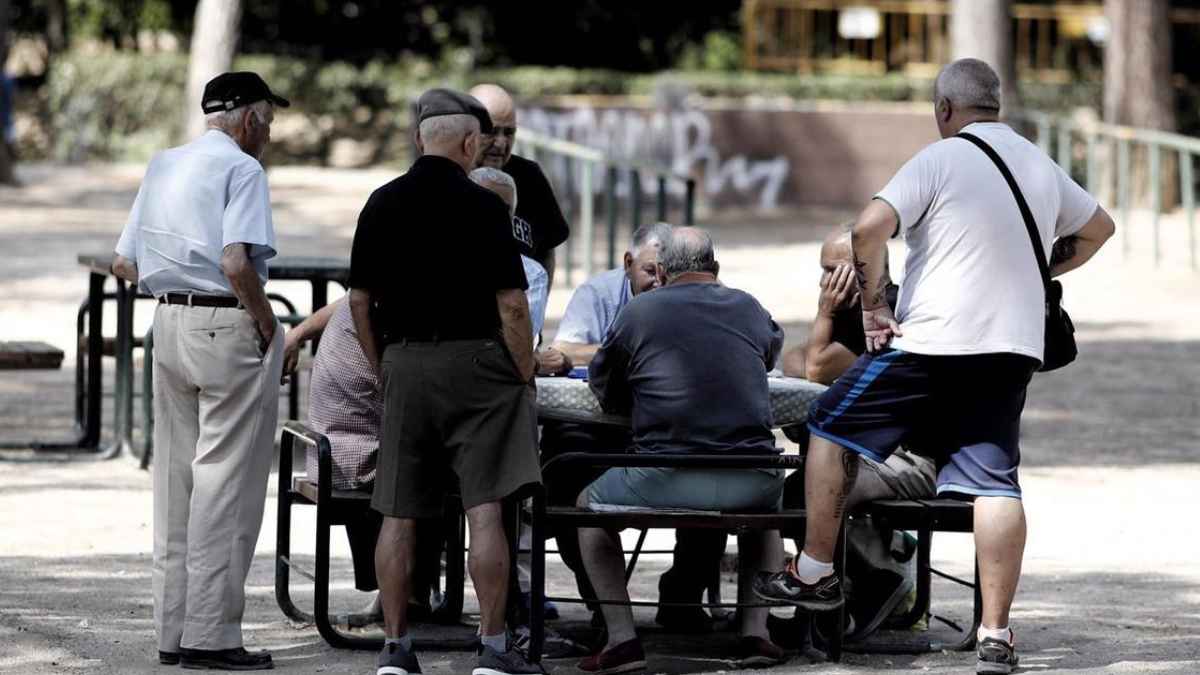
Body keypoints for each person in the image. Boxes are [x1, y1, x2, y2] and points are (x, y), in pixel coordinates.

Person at [753, 59, 1115, 675]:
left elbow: (868, 230)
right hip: (1012, 346)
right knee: (995, 483)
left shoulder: (939, 158)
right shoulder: (1037, 163)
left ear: (944, 108)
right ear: (996, 105)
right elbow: (1099, 229)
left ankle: (814, 571)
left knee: (829, 424)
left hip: (933, 342)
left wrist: (873, 307)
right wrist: (1036, 269)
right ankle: (995, 636)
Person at [348, 87, 544, 675]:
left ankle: (395, 648)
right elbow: (512, 304)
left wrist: (383, 364)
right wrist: (523, 371)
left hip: (405, 362)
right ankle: (492, 649)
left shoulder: (381, 202)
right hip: (477, 366)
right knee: (485, 509)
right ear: (469, 144)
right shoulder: (485, 208)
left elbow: (358, 301)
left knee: (398, 511)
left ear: (418, 140)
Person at [110, 71, 288, 670]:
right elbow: (236, 262)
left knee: (174, 481)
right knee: (225, 485)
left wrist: (177, 280)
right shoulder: (244, 170)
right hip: (225, 324)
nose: (269, 133)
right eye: (268, 120)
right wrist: (265, 318)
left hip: (167, 323)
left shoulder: (164, 164)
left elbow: (123, 263)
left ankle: (172, 631)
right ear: (248, 120)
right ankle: (211, 636)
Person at [577, 227, 789, 672]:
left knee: (586, 510)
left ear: (662, 271)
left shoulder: (638, 311)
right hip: (752, 480)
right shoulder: (749, 306)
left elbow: (605, 386)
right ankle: (757, 634)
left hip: (664, 477)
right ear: (716, 268)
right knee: (765, 517)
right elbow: (769, 356)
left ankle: (621, 640)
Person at [542, 223, 725, 633]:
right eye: (649, 271)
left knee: (714, 464)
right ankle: (603, 604)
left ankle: (681, 595)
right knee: (566, 474)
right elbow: (565, 350)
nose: (659, 281)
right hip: (603, 433)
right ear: (628, 264)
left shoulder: (697, 300)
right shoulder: (602, 294)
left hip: (673, 435)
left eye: (667, 271)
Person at [778, 226, 937, 642]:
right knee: (803, 483)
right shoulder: (855, 313)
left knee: (802, 494)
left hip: (911, 460)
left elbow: (815, 368)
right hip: (873, 454)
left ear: (868, 269)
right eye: (823, 271)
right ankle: (826, 608)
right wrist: (824, 330)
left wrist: (824, 315)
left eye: (835, 271)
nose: (825, 283)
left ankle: (876, 581)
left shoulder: (891, 315)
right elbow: (794, 360)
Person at [469, 84, 570, 284]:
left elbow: (546, 250)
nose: (501, 143)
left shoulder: (529, 177)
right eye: (491, 131)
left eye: (509, 133)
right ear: (467, 130)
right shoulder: (446, 176)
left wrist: (540, 299)